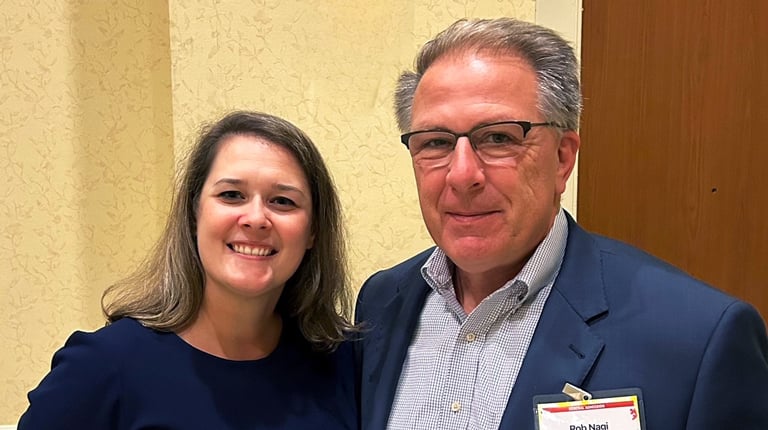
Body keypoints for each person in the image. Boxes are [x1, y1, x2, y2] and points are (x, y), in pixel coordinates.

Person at [354, 17, 768, 430]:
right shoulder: (382, 302)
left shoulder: (699, 338)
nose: (462, 175)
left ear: (563, 158)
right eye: (436, 142)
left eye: (499, 138)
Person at [19, 111, 357, 429]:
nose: (255, 219)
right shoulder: (101, 367)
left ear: (313, 230)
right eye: (231, 195)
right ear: (194, 215)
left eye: (282, 201)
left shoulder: (343, 365)